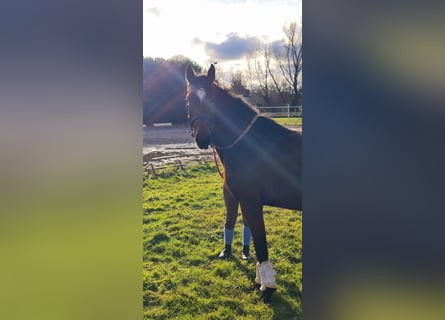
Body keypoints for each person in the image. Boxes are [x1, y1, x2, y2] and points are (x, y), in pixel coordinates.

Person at [218, 185, 252, 260]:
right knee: (230, 216)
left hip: (248, 184)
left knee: (247, 217)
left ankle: (246, 250)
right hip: (230, 184)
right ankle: (227, 249)